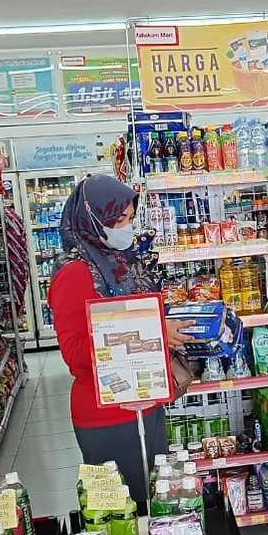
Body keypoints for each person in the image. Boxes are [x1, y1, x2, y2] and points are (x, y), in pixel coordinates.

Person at [48, 174, 192, 506]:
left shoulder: (120, 262)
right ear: (93, 218)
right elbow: (75, 354)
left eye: (130, 218)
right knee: (123, 513)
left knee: (156, 505)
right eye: (119, 220)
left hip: (146, 400)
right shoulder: (74, 273)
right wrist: (154, 333)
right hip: (107, 414)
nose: (127, 228)